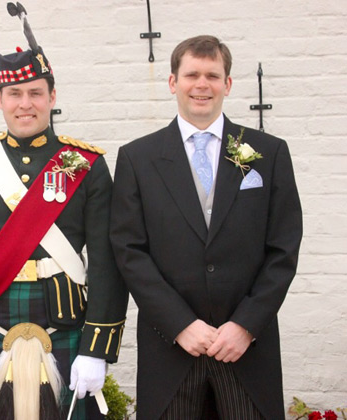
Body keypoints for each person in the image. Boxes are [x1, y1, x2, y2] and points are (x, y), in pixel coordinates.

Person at [0, 4, 128, 419]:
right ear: (0, 99)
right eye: (15, 94)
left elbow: (107, 262)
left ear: (52, 97)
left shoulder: (85, 164)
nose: (25, 104)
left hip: (63, 320)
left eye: (35, 93)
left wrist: (97, 348)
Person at [110, 35, 303, 419]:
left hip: (246, 350)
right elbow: (129, 250)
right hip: (171, 351)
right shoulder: (137, 158)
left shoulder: (269, 153)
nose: (202, 84)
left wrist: (246, 326)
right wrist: (180, 324)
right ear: (173, 82)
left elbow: (284, 248)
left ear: (227, 84)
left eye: (213, 75)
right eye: (192, 74)